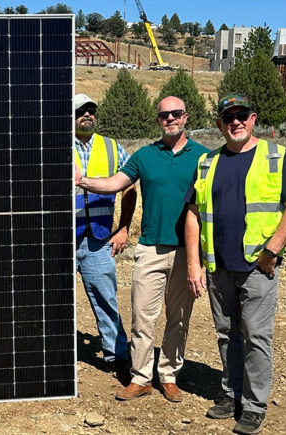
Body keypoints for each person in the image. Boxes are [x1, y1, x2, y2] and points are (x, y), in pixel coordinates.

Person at [185, 93, 286, 435]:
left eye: (242, 115)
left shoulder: (276, 156)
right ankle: (230, 395)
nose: (235, 122)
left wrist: (272, 251)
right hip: (218, 267)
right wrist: (193, 263)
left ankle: (254, 406)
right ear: (219, 124)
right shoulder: (208, 162)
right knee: (227, 335)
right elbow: (194, 214)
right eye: (229, 117)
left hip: (258, 268)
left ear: (253, 118)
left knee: (256, 336)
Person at [77, 96, 209, 403]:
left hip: (186, 251)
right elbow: (115, 183)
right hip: (150, 248)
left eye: (176, 114)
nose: (170, 119)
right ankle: (140, 377)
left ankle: (169, 375)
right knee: (142, 318)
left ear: (185, 117)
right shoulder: (145, 155)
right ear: (158, 120)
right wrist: (82, 180)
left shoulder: (204, 157)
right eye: (164, 115)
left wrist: (202, 258)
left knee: (178, 318)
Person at [73, 94, 136, 378]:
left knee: (106, 297)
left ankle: (116, 354)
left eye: (91, 110)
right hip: (57, 238)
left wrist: (123, 227)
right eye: (80, 111)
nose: (87, 115)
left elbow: (129, 187)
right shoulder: (49, 144)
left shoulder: (112, 147)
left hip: (98, 238)